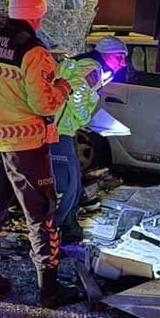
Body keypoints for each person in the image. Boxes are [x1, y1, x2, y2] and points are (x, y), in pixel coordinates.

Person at [0, 0, 76, 307]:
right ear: (38, 15)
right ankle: (49, 291)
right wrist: (63, 87)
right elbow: (43, 104)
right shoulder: (34, 53)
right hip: (25, 148)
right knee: (40, 215)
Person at [52, 35, 128, 242]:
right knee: (67, 184)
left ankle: (67, 227)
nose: (123, 62)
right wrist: (83, 117)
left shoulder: (87, 66)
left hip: (63, 130)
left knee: (73, 182)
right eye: (119, 57)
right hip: (58, 133)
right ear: (105, 54)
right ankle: (55, 231)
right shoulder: (92, 68)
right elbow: (76, 93)